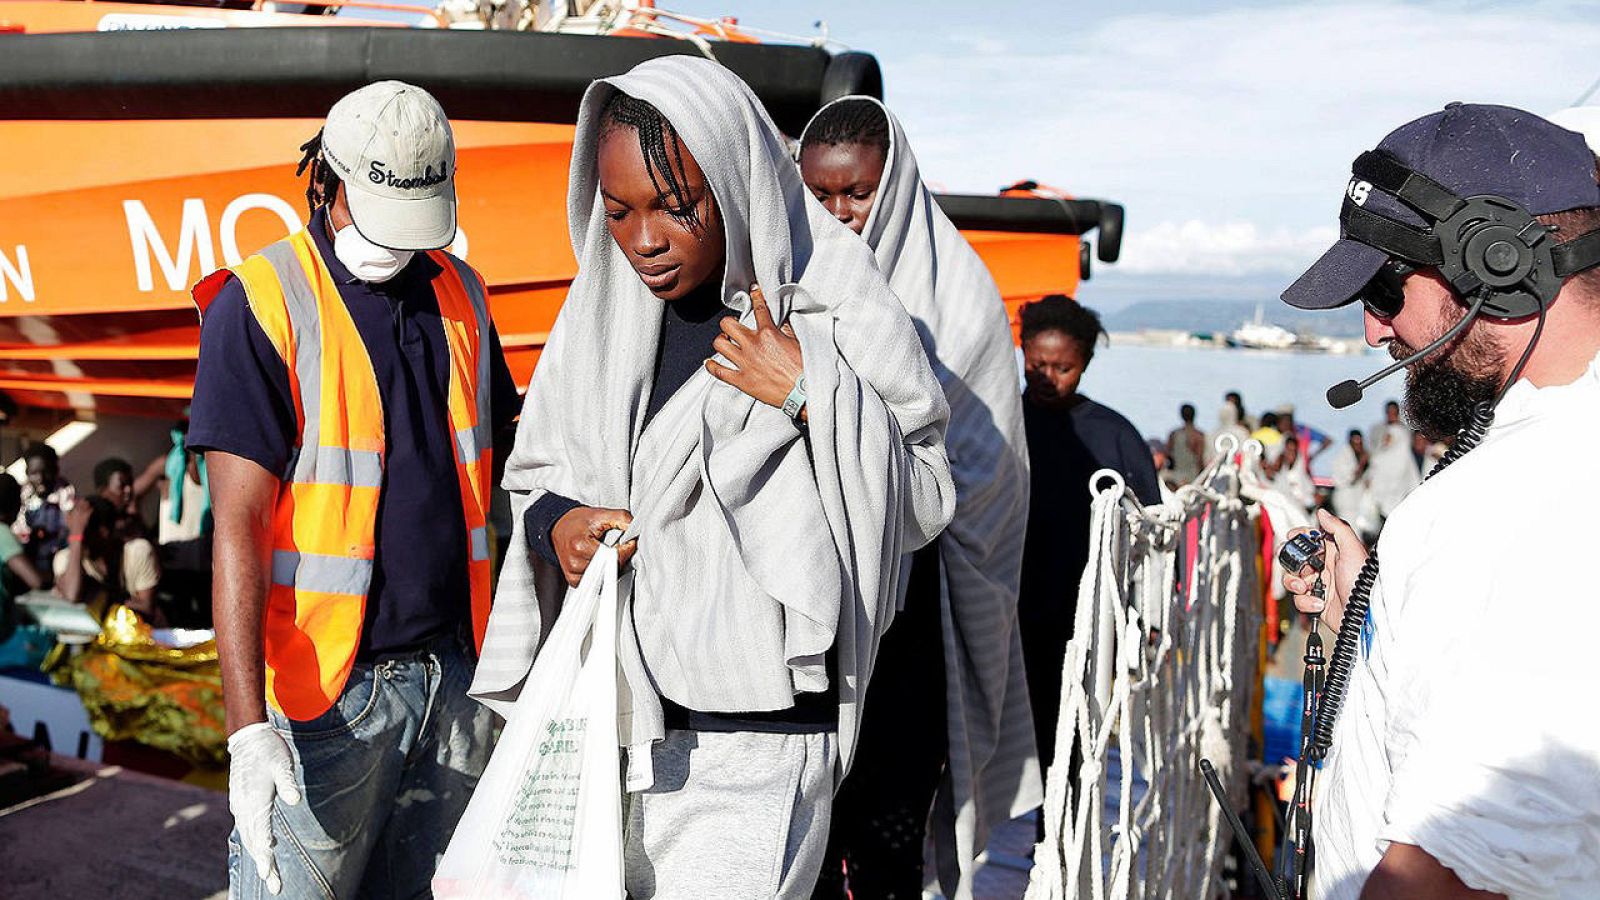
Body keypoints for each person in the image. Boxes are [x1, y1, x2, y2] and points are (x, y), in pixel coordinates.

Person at [471, 58, 954, 900]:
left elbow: (925, 495)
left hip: (757, 743)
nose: (646, 238)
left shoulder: (834, 296)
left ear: (733, 179)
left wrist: (811, 393)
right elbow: (536, 465)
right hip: (611, 723)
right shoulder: (599, 311)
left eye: (676, 206)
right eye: (619, 211)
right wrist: (558, 521)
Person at [187, 81, 519, 898]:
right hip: (327, 699)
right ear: (325, 183)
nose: (398, 246)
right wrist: (246, 734)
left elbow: (510, 464)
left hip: (457, 678)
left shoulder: (462, 294)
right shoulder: (261, 302)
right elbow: (237, 525)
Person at [1279, 102, 1600, 898]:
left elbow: (1452, 877)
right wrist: (1372, 612)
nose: (1369, 329)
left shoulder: (1516, 503)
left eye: (1385, 287)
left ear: (1499, 263)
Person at [798, 96, 1037, 900]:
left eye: (857, 193)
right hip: (811, 600)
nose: (839, 215)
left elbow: (985, 477)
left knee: (887, 829)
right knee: (803, 822)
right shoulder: (791, 272)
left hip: (916, 606)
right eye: (821, 194)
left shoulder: (956, 296)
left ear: (894, 185)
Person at [1015, 296, 1159, 795]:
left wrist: (1145, 619)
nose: (1047, 377)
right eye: (1036, 365)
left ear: (1086, 365)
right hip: (1005, 605)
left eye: (1063, 367)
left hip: (1085, 616)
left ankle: (1055, 844)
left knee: (1069, 738)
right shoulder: (999, 423)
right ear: (1021, 350)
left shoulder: (1116, 436)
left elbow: (1152, 535)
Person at [52, 495, 163, 625]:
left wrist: (100, 598)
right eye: (73, 531)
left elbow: (147, 609)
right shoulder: (65, 559)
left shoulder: (138, 551)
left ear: (104, 532)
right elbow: (72, 594)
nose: (81, 541)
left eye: (84, 532)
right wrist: (76, 537)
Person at [12, 443, 74, 580]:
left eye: (46, 472)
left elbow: (69, 528)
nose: (40, 478)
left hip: (58, 559)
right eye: (34, 473)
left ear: (56, 470)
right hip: (30, 561)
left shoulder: (65, 492)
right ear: (27, 473)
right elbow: (17, 530)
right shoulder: (23, 496)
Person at [1328, 429, 1372, 533]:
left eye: (1360, 442)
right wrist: (1362, 463)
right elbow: (1351, 479)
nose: (1358, 445)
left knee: (1359, 529)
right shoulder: (1343, 457)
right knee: (1349, 530)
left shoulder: (1363, 454)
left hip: (1358, 501)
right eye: (1355, 442)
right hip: (1346, 501)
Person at [1268, 435, 1316, 512]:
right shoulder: (1275, 473)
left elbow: (1309, 498)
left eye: (1294, 451)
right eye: (1288, 450)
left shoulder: (1300, 474)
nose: (1291, 454)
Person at [1166, 403, 1205, 487]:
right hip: (1194, 477)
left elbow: (1168, 455)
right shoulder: (1199, 436)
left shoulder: (1174, 434)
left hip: (1177, 476)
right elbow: (1200, 460)